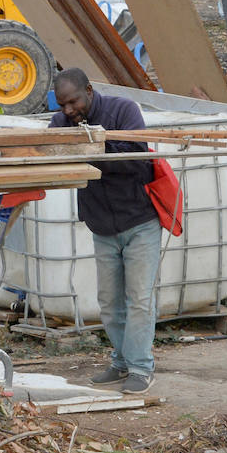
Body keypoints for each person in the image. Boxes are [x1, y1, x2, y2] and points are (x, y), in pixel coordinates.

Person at [49, 69, 159, 395]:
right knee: (110, 302)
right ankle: (121, 362)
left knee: (138, 300)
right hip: (102, 224)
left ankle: (141, 369)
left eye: (73, 102)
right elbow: (52, 153)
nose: (69, 111)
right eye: (62, 105)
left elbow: (136, 161)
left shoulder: (124, 111)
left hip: (140, 221)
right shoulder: (61, 123)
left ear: (89, 90)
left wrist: (93, 149)